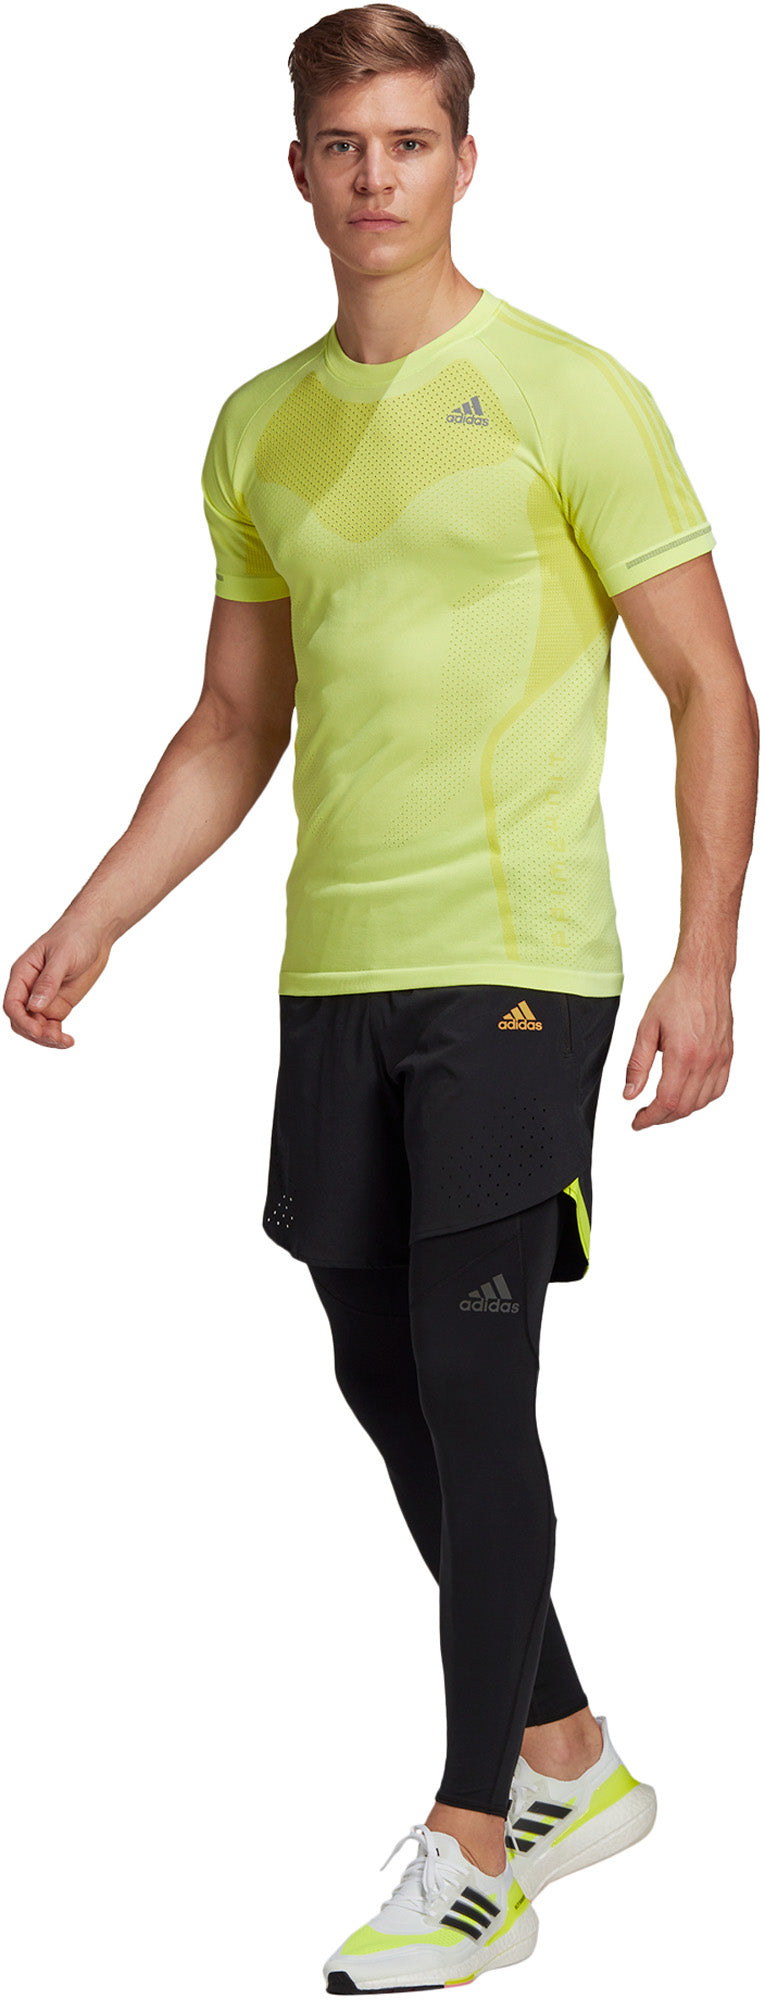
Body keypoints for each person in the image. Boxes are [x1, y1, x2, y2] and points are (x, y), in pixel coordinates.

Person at [4, 6, 758, 1992]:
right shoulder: (256, 426)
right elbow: (232, 720)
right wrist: (94, 917)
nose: (374, 176)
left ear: (461, 162)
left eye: (408, 141)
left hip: (516, 964)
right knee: (379, 1368)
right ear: (298, 168)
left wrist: (705, 957)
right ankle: (569, 1752)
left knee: (474, 1370)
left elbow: (708, 685)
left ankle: (471, 1841)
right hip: (337, 965)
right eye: (342, 143)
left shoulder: (566, 390)